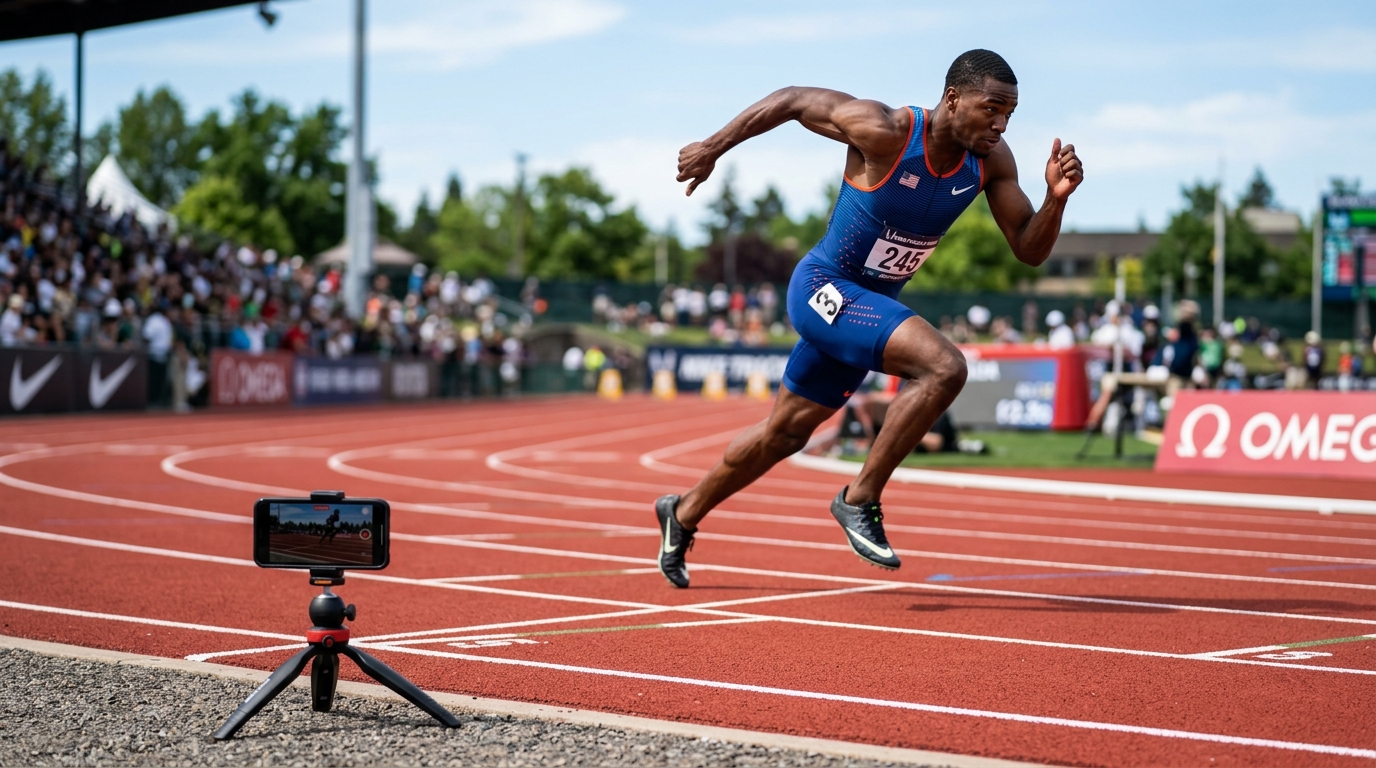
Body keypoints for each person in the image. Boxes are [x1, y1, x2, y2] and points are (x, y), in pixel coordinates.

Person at [655, 49, 1083, 586]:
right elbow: (792, 100)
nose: (999, 125)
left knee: (785, 434)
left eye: (1009, 115)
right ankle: (859, 498)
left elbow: (1028, 248)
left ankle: (683, 512)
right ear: (953, 99)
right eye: (991, 109)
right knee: (944, 367)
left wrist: (1055, 201)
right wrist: (713, 148)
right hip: (824, 290)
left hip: (864, 311)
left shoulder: (991, 161)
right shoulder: (886, 131)